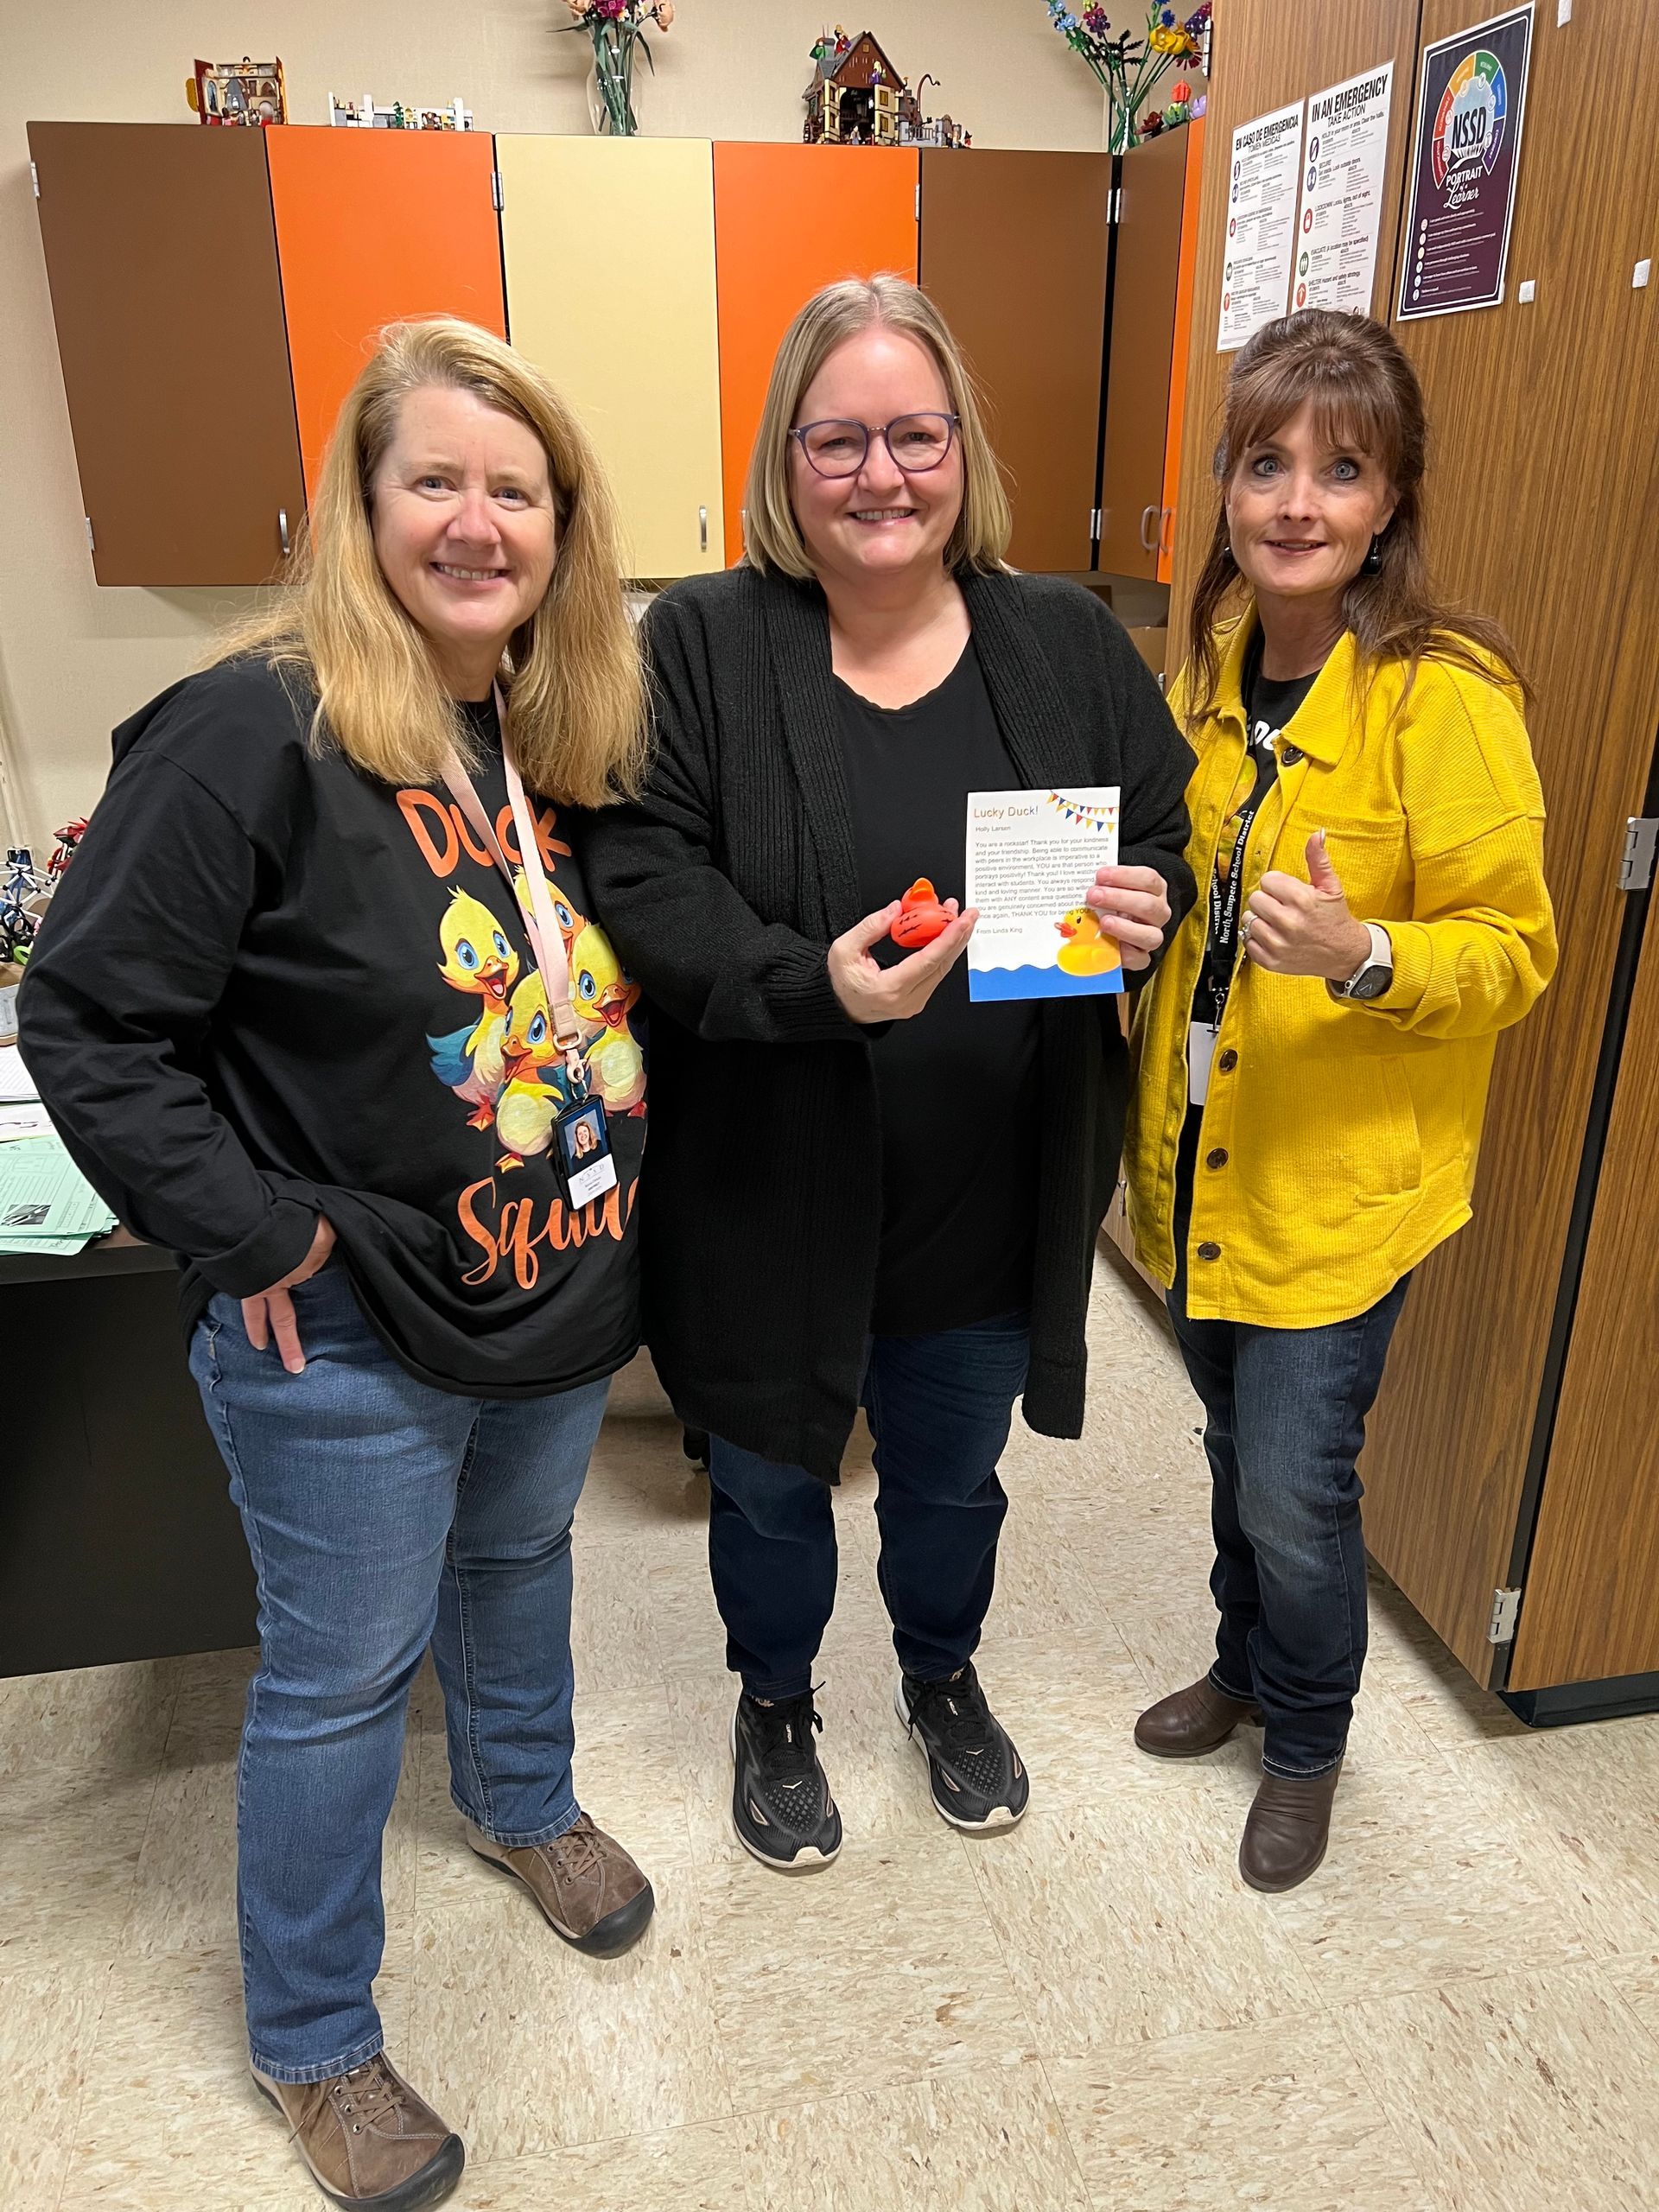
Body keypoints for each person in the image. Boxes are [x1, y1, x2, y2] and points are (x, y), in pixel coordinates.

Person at [22, 319, 655, 2209]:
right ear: (357, 508)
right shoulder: (250, 728)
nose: (478, 521)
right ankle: (314, 2033)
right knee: (337, 1674)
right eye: (434, 480)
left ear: (564, 527)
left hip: (549, 1289)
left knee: (525, 1554)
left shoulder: (535, 726)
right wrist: (256, 1226)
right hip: (350, 1323)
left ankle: (522, 1799)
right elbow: (88, 1020)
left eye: (514, 488)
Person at [585, 276, 1196, 1871]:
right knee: (775, 1491)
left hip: (989, 1193)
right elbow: (641, 873)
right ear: (786, 462)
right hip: (771, 1189)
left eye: (914, 435)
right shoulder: (705, 645)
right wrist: (808, 982)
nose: (882, 476)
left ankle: (940, 1672)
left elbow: (1162, 829)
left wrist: (1148, 900)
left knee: (949, 1479)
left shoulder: (1059, 637)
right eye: (838, 439)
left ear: (963, 450)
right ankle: (774, 1700)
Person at [1121, 309, 1556, 1892]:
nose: (1296, 501)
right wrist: (1136, 922)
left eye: (1341, 468)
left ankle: (1306, 1738)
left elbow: (1518, 951)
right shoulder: (1210, 676)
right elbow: (1186, 889)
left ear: (1391, 501)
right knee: (1234, 1449)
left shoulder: (1446, 693)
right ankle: (1246, 1671)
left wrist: (1369, 953)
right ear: (1229, 488)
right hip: (1206, 1167)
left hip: (1341, 1195)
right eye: (1266, 464)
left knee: (1299, 1490)